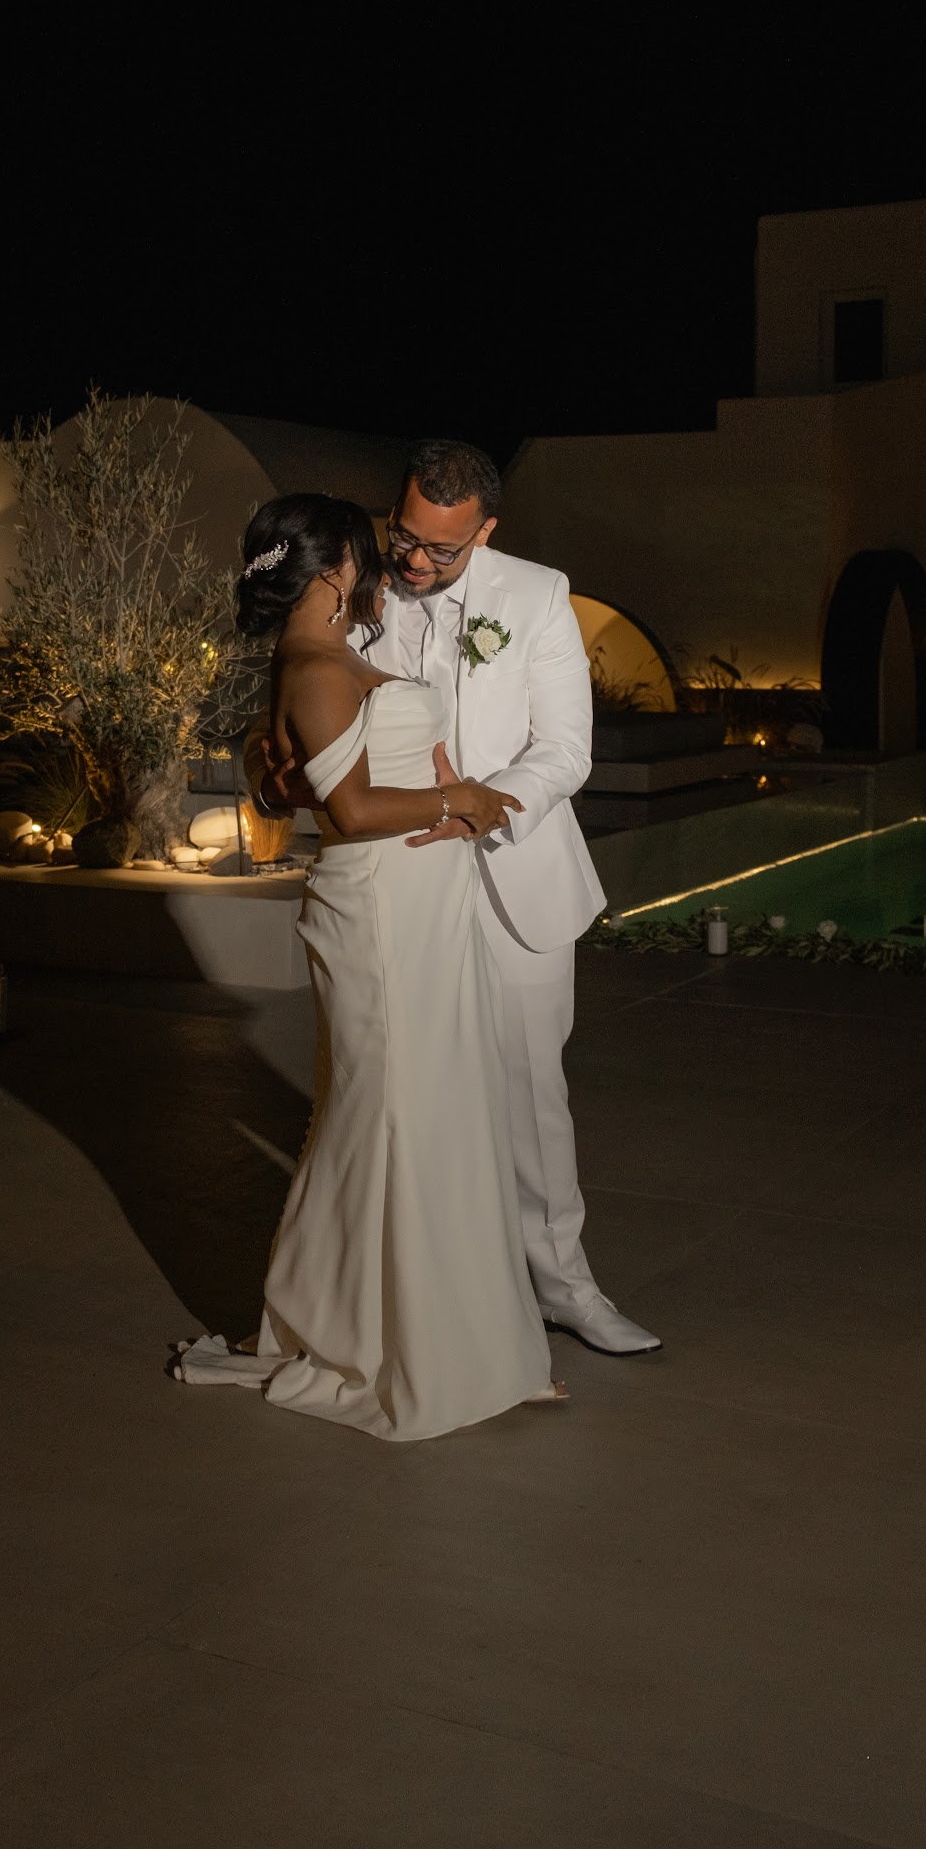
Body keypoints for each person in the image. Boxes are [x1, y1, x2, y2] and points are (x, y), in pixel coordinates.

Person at [175, 491, 565, 1439]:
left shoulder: (327, 657)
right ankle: (396, 1344)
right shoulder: (314, 665)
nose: (380, 570)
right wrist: (463, 800)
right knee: (392, 1114)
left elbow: (296, 776)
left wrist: (409, 781)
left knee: (422, 1114)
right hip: (384, 911)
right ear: (334, 569)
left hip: (418, 902)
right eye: (366, 555)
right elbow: (347, 811)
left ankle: (457, 1339)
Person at [308, 438, 659, 1357]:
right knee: (406, 1086)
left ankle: (564, 1289)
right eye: (405, 536)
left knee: (530, 1097)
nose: (415, 561)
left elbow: (565, 750)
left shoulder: (538, 596)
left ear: (486, 531)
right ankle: (437, 1292)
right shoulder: (360, 591)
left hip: (514, 872)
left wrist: (478, 808)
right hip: (397, 871)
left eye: (441, 548)